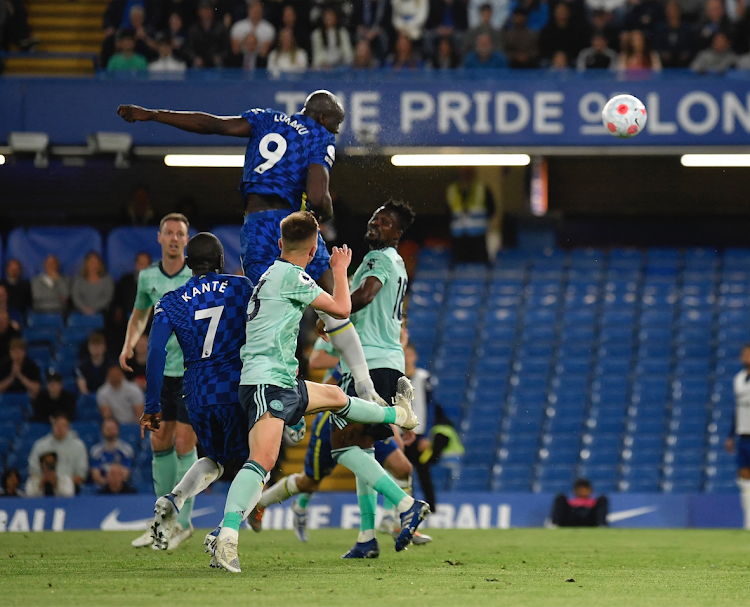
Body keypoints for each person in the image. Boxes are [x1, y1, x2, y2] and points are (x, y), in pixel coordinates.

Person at [139, 226, 419, 566]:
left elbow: (155, 352)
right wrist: (337, 279)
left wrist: (151, 406)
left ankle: (176, 496)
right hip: (244, 383)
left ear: (188, 262)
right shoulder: (242, 286)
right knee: (259, 464)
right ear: (222, 261)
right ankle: (226, 535)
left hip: (198, 391)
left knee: (326, 400)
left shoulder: (170, 300)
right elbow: (326, 311)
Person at [117, 90, 389, 411]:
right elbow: (317, 198)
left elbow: (210, 124)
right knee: (332, 300)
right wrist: (327, 210)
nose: (336, 132)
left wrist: (152, 114)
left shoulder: (266, 119)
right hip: (291, 226)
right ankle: (365, 384)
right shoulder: (319, 136)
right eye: (336, 125)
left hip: (257, 227)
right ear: (323, 118)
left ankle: (273, 396)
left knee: (266, 314)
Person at [256, 203, 429, 559]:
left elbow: (362, 296)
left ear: (397, 233)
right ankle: (367, 536)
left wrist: (337, 300)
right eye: (373, 217)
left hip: (373, 364)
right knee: (361, 449)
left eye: (385, 222)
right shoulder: (392, 261)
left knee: (343, 447)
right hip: (379, 363)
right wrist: (333, 316)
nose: (375, 224)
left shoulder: (380, 260)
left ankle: (405, 504)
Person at [117, 213, 196, 550]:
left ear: (187, 239)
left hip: (193, 371)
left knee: (184, 445)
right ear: (160, 238)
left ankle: (185, 523)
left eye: (181, 233)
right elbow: (139, 314)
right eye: (170, 233)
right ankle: (162, 522)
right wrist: (129, 343)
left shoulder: (197, 275)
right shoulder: (148, 276)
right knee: (159, 442)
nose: (175, 238)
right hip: (161, 372)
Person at [445, 167, 496, 264]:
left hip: (477, 235)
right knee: (459, 266)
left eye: (469, 172)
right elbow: (447, 212)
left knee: (479, 265)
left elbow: (492, 209)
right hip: (458, 235)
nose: (466, 175)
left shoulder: (482, 188)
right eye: (464, 172)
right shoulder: (452, 189)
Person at [26, 414, 88, 492]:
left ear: (68, 427)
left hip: (69, 487)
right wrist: (45, 480)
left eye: (64, 426)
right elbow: (33, 470)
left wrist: (62, 484)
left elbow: (81, 474)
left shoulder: (78, 446)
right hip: (44, 486)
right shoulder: (40, 445)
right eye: (58, 425)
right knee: (31, 487)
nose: (60, 429)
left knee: (65, 490)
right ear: (53, 426)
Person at [725, 343, 750, 529]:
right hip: (744, 435)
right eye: (744, 353)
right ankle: (748, 520)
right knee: (744, 477)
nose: (746, 356)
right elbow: (737, 410)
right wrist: (731, 434)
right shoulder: (739, 379)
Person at [109, 251, 152, 344]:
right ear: (136, 264)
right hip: (126, 322)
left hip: (149, 322)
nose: (143, 267)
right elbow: (117, 301)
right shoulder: (125, 281)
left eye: (145, 264)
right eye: (140, 264)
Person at [90, 417, 135, 486]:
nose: (110, 431)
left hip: (121, 487)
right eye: (108, 429)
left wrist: (114, 483)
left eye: (112, 429)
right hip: (103, 487)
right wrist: (108, 483)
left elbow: (126, 474)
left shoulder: (126, 450)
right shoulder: (95, 451)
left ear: (118, 430)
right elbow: (96, 476)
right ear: (102, 431)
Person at [187, 0, 231, 67]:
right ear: (199, 12)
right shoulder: (193, 29)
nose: (206, 12)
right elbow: (189, 48)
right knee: (194, 67)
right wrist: (195, 58)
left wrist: (220, 57)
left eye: (208, 10)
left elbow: (226, 49)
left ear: (212, 11)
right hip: (199, 62)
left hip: (216, 61)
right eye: (203, 10)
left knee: (220, 67)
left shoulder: (221, 28)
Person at [72, 251, 115, 316]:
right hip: (81, 312)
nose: (93, 264)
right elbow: (76, 297)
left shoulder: (107, 280)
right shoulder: (78, 279)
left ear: (100, 264)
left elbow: (107, 298)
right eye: (91, 262)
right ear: (86, 264)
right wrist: (84, 308)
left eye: (96, 262)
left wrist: (93, 309)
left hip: (102, 313)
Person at [75, 331, 116, 396]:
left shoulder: (111, 365)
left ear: (105, 347)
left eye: (99, 345)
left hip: (106, 398)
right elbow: (83, 388)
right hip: (88, 398)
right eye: (93, 345)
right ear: (88, 347)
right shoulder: (81, 366)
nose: (96, 348)